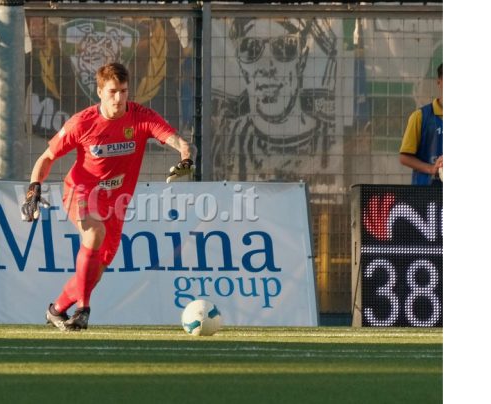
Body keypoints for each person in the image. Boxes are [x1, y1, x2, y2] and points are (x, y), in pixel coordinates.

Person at [20, 62, 196, 331]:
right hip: (80, 192)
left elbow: (177, 140)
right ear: (100, 91)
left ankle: (56, 310)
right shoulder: (82, 123)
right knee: (94, 232)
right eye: (113, 91)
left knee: (96, 271)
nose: (119, 98)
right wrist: (34, 188)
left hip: (116, 203)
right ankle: (83, 310)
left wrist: (186, 157)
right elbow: (47, 157)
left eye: (124, 91)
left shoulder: (140, 116)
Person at [213, 17, 338, 182]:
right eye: (251, 49)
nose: (267, 67)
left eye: (284, 48)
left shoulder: (330, 140)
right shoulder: (228, 138)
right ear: (239, 63)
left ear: (302, 58)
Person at [399, 63, 443, 185]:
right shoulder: (420, 117)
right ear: (439, 82)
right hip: (425, 194)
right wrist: (432, 168)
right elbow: (404, 157)